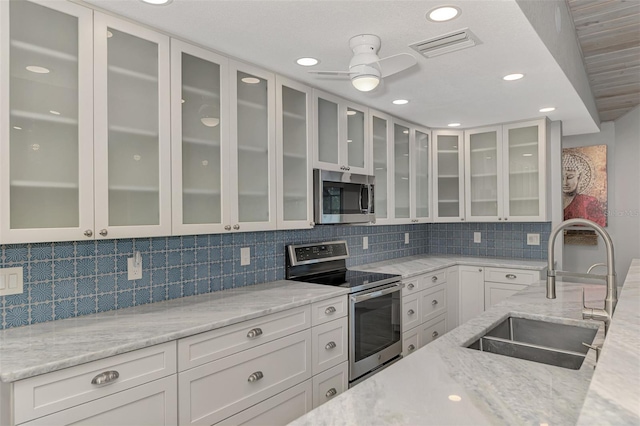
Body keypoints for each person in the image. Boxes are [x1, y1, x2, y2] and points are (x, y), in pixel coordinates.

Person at [562, 152, 606, 226]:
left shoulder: (589, 201)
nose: (565, 182)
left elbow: (599, 225)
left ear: (579, 178)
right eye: (561, 178)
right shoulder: (553, 202)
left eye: (570, 177)